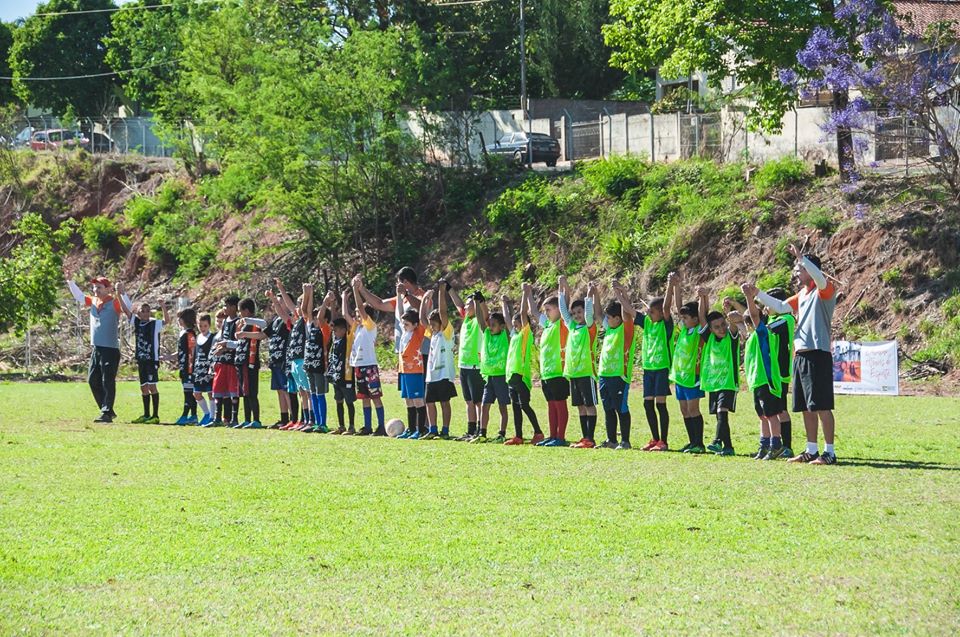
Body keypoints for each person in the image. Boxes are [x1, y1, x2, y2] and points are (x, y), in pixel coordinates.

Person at [755, 247, 839, 465]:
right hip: (800, 355)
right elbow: (781, 306)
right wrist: (756, 294)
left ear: (810, 270)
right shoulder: (802, 294)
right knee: (805, 406)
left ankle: (829, 452)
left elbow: (820, 278)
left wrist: (802, 258)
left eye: (799, 269)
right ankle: (811, 449)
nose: (796, 273)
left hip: (818, 353)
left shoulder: (825, 290)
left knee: (821, 405)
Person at [741, 283, 791, 460]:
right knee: (762, 415)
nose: (748, 327)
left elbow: (754, 315)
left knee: (771, 414)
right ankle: (764, 445)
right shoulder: (751, 337)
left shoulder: (763, 332)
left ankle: (776, 444)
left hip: (767, 380)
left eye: (749, 324)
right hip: (756, 381)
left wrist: (749, 296)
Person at [66, 275, 124, 423]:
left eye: (99, 287)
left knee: (107, 381)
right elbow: (79, 296)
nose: (95, 290)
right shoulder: (93, 300)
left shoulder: (115, 302)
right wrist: (70, 281)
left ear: (108, 289)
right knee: (92, 380)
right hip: (97, 348)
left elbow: (127, 307)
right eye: (94, 287)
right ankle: (107, 410)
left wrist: (121, 293)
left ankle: (106, 412)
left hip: (110, 348)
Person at [697, 287, 742, 457]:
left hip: (728, 382)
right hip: (713, 382)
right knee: (719, 416)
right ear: (711, 329)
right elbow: (702, 317)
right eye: (716, 327)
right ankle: (728, 447)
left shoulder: (730, 338)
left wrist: (728, 311)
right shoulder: (708, 339)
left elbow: (732, 325)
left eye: (722, 324)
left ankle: (717, 440)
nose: (721, 329)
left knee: (721, 411)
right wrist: (703, 296)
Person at [559, 276, 601, 449]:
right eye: (574, 313)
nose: (577, 315)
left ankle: (590, 438)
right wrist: (562, 288)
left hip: (586, 372)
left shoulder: (589, 328)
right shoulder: (571, 327)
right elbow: (563, 311)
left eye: (580, 312)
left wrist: (589, 296)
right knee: (580, 407)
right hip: (574, 372)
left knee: (589, 405)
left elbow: (590, 314)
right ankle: (584, 438)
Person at [596, 280, 637, 450]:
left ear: (617, 318)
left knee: (621, 408)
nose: (605, 320)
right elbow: (598, 314)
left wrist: (621, 294)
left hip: (619, 375)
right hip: (604, 375)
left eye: (608, 317)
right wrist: (595, 294)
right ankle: (611, 440)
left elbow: (627, 313)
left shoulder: (625, 329)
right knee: (608, 409)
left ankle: (625, 441)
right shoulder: (610, 328)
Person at [668, 273, 706, 453]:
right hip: (680, 376)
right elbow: (677, 307)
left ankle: (699, 443)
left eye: (686, 318)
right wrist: (675, 286)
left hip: (694, 375)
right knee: (684, 410)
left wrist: (701, 298)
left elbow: (703, 314)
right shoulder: (684, 330)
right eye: (682, 319)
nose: (682, 321)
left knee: (693, 409)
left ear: (696, 319)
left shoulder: (699, 330)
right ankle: (692, 442)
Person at [637, 276, 676, 452]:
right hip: (648, 369)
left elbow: (667, 307)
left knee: (661, 405)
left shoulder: (666, 326)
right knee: (647, 404)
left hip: (661, 369)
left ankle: (664, 441)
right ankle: (654, 438)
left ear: (661, 313)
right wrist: (620, 293)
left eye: (652, 312)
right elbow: (630, 311)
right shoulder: (647, 324)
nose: (648, 314)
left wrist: (670, 285)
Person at [119, 295, 171, 424]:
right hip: (141, 359)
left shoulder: (154, 323)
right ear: (138, 313)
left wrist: (163, 306)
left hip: (151, 359)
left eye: (148, 310)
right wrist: (118, 295)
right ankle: (146, 414)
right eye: (143, 311)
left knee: (152, 386)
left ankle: (155, 415)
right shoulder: (137, 322)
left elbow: (167, 321)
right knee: (143, 387)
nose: (146, 313)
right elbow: (126, 311)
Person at [503, 283, 543, 445]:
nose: (515, 325)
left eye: (517, 323)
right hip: (511, 376)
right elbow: (507, 319)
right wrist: (504, 304)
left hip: (521, 376)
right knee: (515, 407)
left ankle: (538, 432)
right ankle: (518, 436)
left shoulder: (526, 335)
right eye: (514, 324)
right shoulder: (514, 335)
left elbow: (522, 313)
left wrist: (525, 293)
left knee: (524, 405)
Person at [348, 275, 386, 436]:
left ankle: (381, 426)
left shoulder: (370, 326)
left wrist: (356, 290)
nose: (357, 315)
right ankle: (368, 426)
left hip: (369, 366)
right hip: (359, 365)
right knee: (364, 397)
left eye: (359, 313)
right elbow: (345, 314)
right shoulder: (358, 328)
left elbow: (361, 309)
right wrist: (347, 295)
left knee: (375, 396)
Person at [450, 287, 486, 441]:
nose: (465, 307)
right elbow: (458, 303)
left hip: (475, 366)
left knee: (478, 401)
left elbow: (484, 313)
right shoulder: (466, 319)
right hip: (463, 365)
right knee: (468, 401)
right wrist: (450, 290)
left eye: (469, 304)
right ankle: (470, 430)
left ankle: (479, 430)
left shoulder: (479, 320)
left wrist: (480, 301)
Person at [423, 281, 458, 440]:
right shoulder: (433, 334)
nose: (431, 326)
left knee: (444, 402)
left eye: (434, 323)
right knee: (429, 402)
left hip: (444, 374)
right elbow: (423, 320)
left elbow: (443, 311)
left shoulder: (446, 333)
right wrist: (424, 300)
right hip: (432, 375)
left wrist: (441, 292)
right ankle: (433, 429)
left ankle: (445, 430)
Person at [276, 280, 312, 431]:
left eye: (299, 305)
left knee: (308, 392)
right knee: (301, 392)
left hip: (303, 359)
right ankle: (304, 421)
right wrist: (279, 291)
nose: (296, 308)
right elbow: (284, 310)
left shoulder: (305, 321)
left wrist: (309, 294)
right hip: (294, 360)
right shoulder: (295, 322)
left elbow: (305, 309)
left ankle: (310, 420)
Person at [535, 291, 569, 447]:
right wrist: (527, 294)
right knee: (551, 405)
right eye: (545, 310)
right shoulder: (548, 325)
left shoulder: (562, 323)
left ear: (557, 309)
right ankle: (552, 435)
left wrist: (562, 286)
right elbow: (534, 313)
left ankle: (560, 437)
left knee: (560, 404)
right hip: (546, 373)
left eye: (549, 309)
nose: (546, 313)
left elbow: (565, 305)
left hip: (558, 371)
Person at [396, 283, 428, 439]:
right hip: (404, 371)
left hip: (415, 370)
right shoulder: (405, 331)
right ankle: (410, 428)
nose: (404, 325)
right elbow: (401, 313)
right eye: (403, 323)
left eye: (407, 324)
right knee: (408, 400)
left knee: (417, 400)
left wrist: (425, 300)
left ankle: (421, 429)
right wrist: (400, 296)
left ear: (415, 325)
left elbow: (422, 318)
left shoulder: (418, 332)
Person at [477, 296, 510, 444]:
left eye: (494, 324)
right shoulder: (487, 335)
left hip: (501, 377)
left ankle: (501, 433)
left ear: (502, 326)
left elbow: (508, 322)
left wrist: (504, 304)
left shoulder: (505, 335)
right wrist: (480, 303)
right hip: (489, 377)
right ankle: (482, 432)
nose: (490, 327)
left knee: (502, 407)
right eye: (490, 324)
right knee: (485, 405)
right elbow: (481, 319)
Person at [261, 289, 294, 428]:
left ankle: (294, 418)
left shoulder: (290, 319)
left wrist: (273, 296)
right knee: (280, 390)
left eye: (280, 302)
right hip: (274, 360)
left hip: (284, 360)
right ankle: (284, 418)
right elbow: (263, 335)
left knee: (287, 390)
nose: (276, 305)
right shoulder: (275, 320)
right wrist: (245, 334)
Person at [303, 291, 335, 433]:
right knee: (313, 394)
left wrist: (326, 301)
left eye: (318, 318)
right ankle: (316, 422)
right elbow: (306, 312)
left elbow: (321, 317)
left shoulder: (325, 329)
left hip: (320, 367)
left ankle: (323, 423)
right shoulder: (311, 328)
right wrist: (307, 293)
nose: (315, 319)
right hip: (309, 366)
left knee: (320, 394)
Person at [327, 290, 358, 435]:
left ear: (344, 330)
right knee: (338, 401)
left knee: (349, 401)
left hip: (346, 375)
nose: (335, 332)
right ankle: (341, 426)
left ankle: (351, 426)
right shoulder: (335, 339)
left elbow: (346, 317)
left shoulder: (348, 339)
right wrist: (332, 304)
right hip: (336, 376)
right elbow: (333, 321)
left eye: (338, 330)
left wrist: (344, 298)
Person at [174, 308, 199, 426]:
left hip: (189, 369)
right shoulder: (184, 334)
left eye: (179, 318)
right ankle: (193, 415)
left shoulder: (189, 334)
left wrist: (190, 369)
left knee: (188, 392)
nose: (178, 320)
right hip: (185, 368)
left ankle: (185, 415)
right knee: (189, 392)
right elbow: (181, 352)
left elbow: (191, 353)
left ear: (184, 320)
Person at [194, 313, 216, 426]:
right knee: (196, 393)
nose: (203, 328)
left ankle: (212, 416)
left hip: (208, 371)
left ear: (209, 325)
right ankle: (206, 413)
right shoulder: (197, 337)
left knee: (210, 393)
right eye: (200, 325)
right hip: (199, 371)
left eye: (205, 326)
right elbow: (195, 355)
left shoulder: (212, 338)